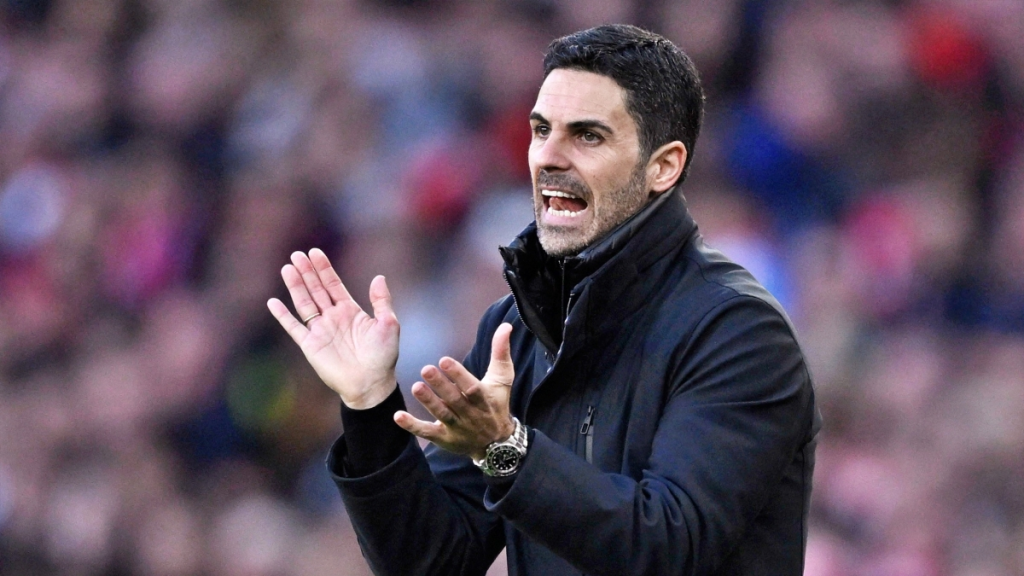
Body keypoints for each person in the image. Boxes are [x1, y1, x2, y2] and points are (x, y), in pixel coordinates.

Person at [268, 24, 820, 576]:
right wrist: (370, 405)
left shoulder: (739, 332)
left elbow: (669, 550)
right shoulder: (519, 326)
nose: (547, 157)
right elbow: (432, 561)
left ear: (663, 166)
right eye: (541, 130)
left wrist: (507, 449)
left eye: (588, 136)